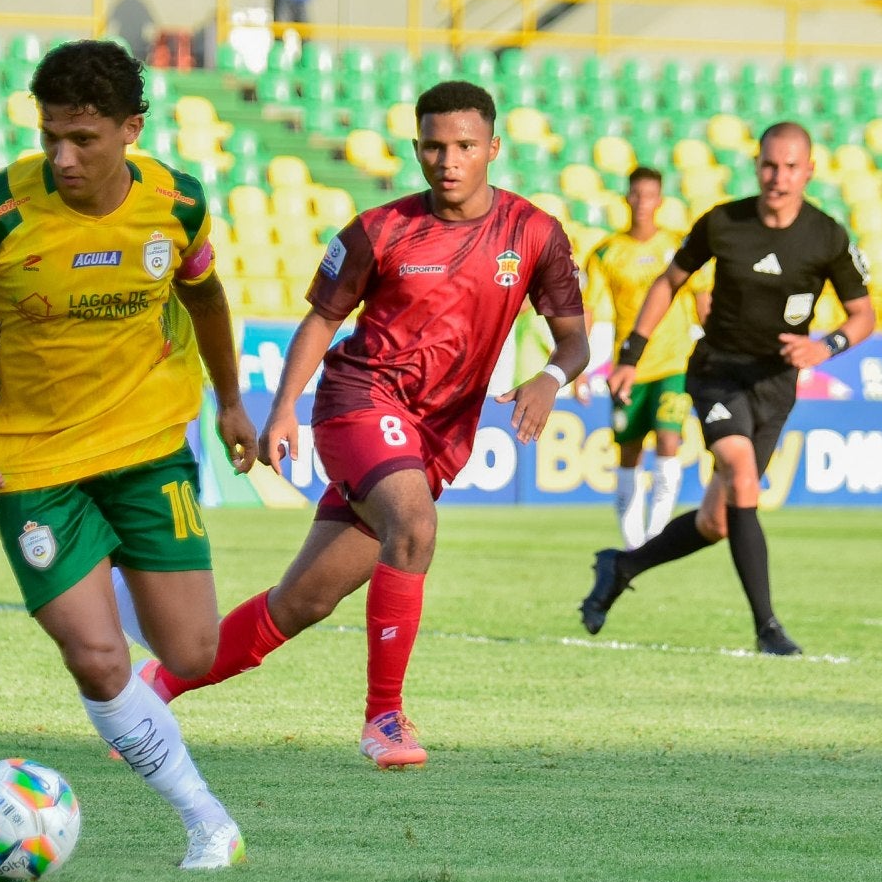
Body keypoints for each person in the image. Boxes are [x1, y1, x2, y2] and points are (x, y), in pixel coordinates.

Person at [130, 80, 587, 770]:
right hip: (359, 399)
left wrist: (551, 379)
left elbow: (574, 341)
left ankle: (152, 689)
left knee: (302, 602)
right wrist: (283, 407)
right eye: (434, 146)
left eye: (465, 146)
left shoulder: (534, 235)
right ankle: (385, 719)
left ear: (493, 148)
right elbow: (322, 318)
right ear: (415, 149)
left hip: (440, 435)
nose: (449, 160)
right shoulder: (380, 230)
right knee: (415, 524)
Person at [0, 40, 261, 869]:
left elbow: (205, 295)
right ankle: (208, 821)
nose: (62, 156)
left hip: (149, 447)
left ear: (130, 130)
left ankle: (117, 579)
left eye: (83, 139)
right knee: (97, 658)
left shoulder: (177, 203)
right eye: (50, 135)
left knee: (191, 653)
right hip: (29, 464)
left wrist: (232, 401)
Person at [580, 122, 874, 655]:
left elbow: (862, 315)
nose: (777, 176)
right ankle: (767, 629)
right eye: (769, 164)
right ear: (756, 164)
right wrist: (630, 355)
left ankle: (622, 565)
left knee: (717, 520)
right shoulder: (723, 223)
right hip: (717, 372)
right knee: (741, 473)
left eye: (790, 167)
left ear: (809, 170)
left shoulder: (826, 236)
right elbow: (669, 281)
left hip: (776, 384)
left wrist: (825, 347)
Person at [582, 167, 699, 550]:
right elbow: (589, 310)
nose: (643, 202)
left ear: (660, 200)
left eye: (650, 195)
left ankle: (658, 533)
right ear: (627, 199)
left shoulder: (681, 247)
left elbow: (703, 301)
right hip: (628, 370)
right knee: (629, 450)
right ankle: (633, 543)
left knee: (669, 439)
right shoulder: (606, 252)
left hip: (674, 363)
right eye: (636, 195)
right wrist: (578, 367)